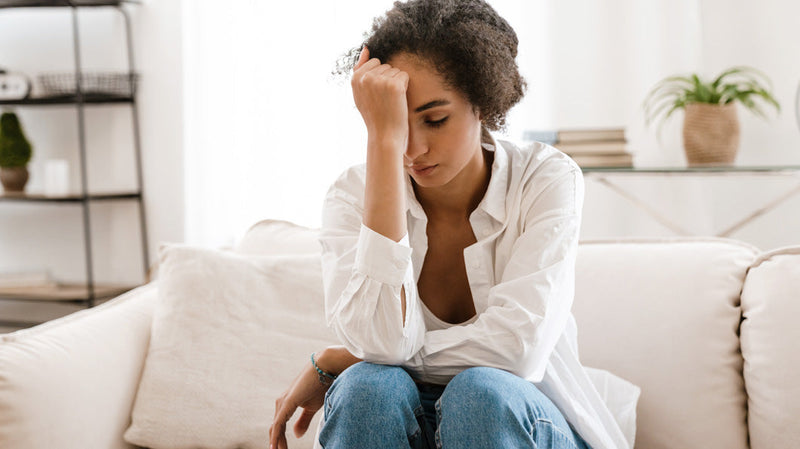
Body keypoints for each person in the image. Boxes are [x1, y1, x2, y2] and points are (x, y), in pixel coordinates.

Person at [269, 1, 639, 448]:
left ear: (482, 103)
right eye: (395, 125)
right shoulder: (351, 195)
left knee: (479, 394)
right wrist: (381, 144)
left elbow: (516, 352)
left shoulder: (545, 179)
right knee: (367, 388)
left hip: (520, 420)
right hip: (407, 415)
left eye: (435, 119)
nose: (414, 149)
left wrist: (342, 358)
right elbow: (381, 344)